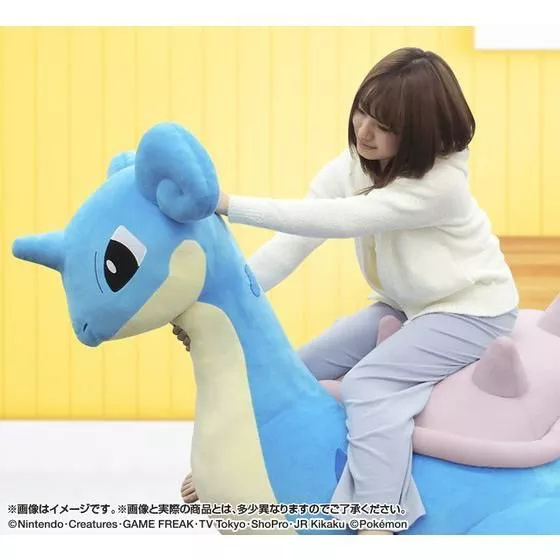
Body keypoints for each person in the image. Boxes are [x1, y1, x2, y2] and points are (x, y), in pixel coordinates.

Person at [177, 47, 519, 534]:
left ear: (419, 131)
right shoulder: (356, 164)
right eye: (363, 111)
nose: (364, 132)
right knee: (294, 368)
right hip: (407, 305)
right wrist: (222, 307)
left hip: (472, 311)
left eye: (385, 125)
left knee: (371, 384)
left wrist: (230, 204)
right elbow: (293, 244)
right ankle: (236, 469)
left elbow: (337, 219)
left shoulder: (440, 185)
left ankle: (376, 522)